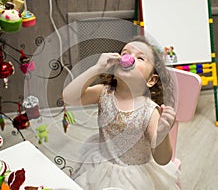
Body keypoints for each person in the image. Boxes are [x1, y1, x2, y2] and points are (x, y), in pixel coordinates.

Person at [62, 36, 180, 190]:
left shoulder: (149, 111)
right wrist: (96, 68)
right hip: (100, 165)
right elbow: (69, 97)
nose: (129, 57)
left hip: (134, 177)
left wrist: (162, 135)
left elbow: (162, 159)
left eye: (140, 58)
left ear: (151, 80)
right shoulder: (104, 92)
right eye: (126, 52)